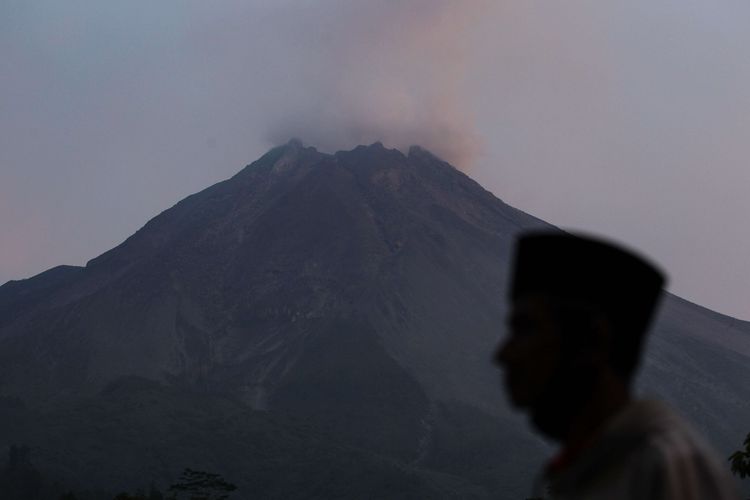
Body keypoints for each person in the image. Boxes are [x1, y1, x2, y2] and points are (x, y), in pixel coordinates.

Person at [494, 231, 739, 499]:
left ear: (592, 342)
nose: (503, 354)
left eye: (525, 329)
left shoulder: (668, 470)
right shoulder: (590, 469)